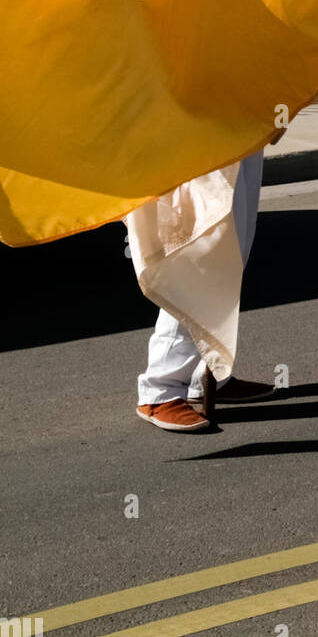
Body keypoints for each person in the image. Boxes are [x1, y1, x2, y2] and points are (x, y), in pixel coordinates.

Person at [135, 150, 276, 432]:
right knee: (200, 257)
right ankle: (161, 389)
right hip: (198, 127)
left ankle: (205, 375)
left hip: (239, 122)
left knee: (233, 253)